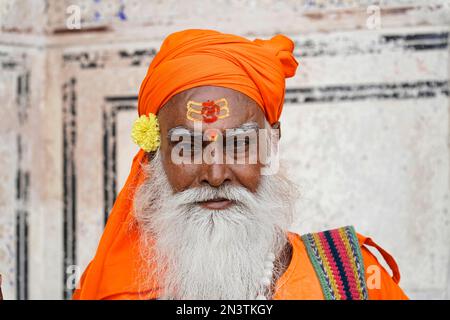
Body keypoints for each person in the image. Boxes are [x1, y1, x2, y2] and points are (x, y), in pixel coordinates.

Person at [73, 29, 408, 300]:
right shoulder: (111, 289)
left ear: (271, 145)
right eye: (188, 148)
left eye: (240, 144)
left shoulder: (353, 278)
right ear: (155, 157)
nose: (216, 175)